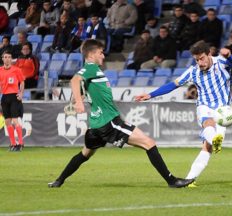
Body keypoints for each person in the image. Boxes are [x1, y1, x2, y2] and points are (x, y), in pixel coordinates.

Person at [48, 39, 194, 188]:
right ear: (91, 55)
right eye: (100, 52)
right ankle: (172, 181)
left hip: (96, 125)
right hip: (109, 122)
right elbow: (74, 80)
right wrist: (78, 102)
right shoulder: (90, 68)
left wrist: (78, 99)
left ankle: (59, 180)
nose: (103, 56)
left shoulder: (93, 72)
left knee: (85, 154)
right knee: (149, 143)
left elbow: (80, 90)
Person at [135, 41, 232, 187]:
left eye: (202, 58)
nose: (199, 63)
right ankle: (214, 139)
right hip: (204, 106)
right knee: (208, 123)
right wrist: (150, 95)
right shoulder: (193, 71)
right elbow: (173, 85)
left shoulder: (220, 62)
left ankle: (190, 178)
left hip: (223, 110)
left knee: (207, 147)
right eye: (196, 60)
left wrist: (230, 56)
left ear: (209, 54)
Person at [0, 50, 25, 151]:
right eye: (5, 57)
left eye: (9, 57)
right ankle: (13, 143)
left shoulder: (16, 70)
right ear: (2, 59)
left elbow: (22, 81)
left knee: (15, 120)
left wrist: (21, 93)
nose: (7, 59)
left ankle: (21, 143)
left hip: (14, 97)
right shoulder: (0, 70)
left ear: (11, 59)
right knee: (7, 121)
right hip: (5, 97)